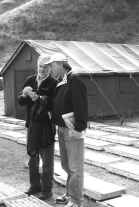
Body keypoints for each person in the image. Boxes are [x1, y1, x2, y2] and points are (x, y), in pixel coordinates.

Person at [44, 53, 88, 207]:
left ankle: (76, 201)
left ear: (61, 64)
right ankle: (70, 194)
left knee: (75, 167)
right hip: (61, 128)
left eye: (52, 65)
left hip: (72, 129)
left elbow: (80, 103)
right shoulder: (60, 81)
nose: (50, 69)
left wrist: (79, 127)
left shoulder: (74, 78)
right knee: (67, 165)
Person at [17, 54, 58, 200]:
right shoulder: (30, 80)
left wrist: (39, 99)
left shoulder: (54, 82)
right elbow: (20, 101)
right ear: (37, 66)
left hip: (46, 125)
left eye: (46, 67)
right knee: (32, 156)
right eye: (40, 66)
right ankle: (35, 185)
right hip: (32, 124)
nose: (42, 69)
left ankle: (47, 189)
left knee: (47, 159)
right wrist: (25, 95)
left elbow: (55, 103)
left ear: (51, 68)